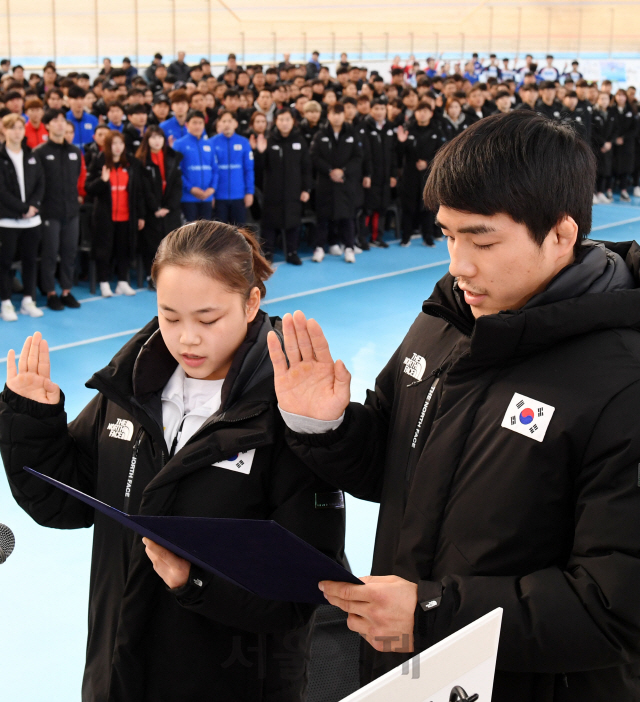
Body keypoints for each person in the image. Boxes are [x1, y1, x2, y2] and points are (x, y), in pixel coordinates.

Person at [267, 110, 640, 702]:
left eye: (482, 239)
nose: (458, 264)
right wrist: (326, 426)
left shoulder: (623, 380)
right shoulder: (447, 319)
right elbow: (394, 468)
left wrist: (434, 613)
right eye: (448, 234)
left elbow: (614, 608)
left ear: (562, 236)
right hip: (403, 670)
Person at [0, 220, 346, 701]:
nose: (187, 339)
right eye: (169, 316)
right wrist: (33, 424)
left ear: (251, 302)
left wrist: (195, 581)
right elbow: (66, 503)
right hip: (118, 668)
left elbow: (302, 591)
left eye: (207, 320)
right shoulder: (130, 387)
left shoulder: (289, 415)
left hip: (229, 680)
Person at [85, 130, 144, 297]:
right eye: (114, 144)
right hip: (105, 216)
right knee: (104, 250)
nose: (118, 147)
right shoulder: (99, 162)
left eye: (120, 143)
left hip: (126, 216)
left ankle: (122, 281)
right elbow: (88, 188)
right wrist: (102, 181)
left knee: (124, 249)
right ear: (108, 146)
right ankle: (104, 282)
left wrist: (140, 215)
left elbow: (137, 192)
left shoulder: (131, 164)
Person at [34, 109, 82, 311]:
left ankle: (66, 290)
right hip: (49, 212)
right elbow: (37, 182)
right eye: (55, 120)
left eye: (63, 120)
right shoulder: (40, 152)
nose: (60, 124)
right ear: (47, 125)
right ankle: (50, 292)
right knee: (50, 253)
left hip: (71, 212)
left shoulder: (74, 152)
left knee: (70, 252)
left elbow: (77, 179)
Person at [0, 114, 45, 321]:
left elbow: (40, 183)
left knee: (30, 261)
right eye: (13, 128)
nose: (17, 131)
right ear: (4, 130)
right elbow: (1, 191)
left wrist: (33, 206)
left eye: (20, 127)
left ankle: (29, 299)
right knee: (5, 262)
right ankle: (6, 302)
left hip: (32, 220)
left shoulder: (31, 155)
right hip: (7, 221)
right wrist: (22, 208)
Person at [254, 107, 312, 265]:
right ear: (276, 122)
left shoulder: (299, 141)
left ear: (292, 121)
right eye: (281, 120)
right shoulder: (269, 140)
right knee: (269, 226)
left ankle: (292, 253)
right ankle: (267, 255)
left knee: (293, 224)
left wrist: (306, 189)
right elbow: (259, 169)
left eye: (288, 119)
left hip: (294, 192)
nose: (285, 123)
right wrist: (259, 152)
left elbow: (306, 168)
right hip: (272, 192)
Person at [310, 103, 362, 264]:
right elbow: (314, 156)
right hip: (326, 183)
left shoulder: (352, 134)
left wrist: (344, 171)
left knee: (347, 218)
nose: (337, 117)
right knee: (323, 218)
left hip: (346, 183)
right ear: (329, 115)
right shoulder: (320, 134)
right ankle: (319, 248)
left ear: (344, 115)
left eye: (340, 113)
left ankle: (349, 248)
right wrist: (329, 171)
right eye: (334, 113)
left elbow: (358, 157)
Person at [136, 125, 184, 284]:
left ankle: (171, 275)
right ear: (147, 140)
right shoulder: (141, 161)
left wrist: (167, 207)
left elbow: (177, 185)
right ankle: (153, 276)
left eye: (159, 137)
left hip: (170, 210)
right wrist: (155, 208)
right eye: (153, 137)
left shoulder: (173, 157)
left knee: (172, 244)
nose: (157, 141)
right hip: (151, 212)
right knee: (152, 245)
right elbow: (143, 189)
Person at [396, 100, 447, 247]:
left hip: (428, 176)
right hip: (410, 176)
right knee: (408, 208)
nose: (422, 113)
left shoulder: (437, 131)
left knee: (428, 207)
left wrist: (428, 163)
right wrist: (401, 143)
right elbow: (399, 156)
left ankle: (428, 237)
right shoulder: (408, 130)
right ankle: (406, 237)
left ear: (431, 113)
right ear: (415, 113)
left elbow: (442, 153)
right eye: (419, 111)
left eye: (425, 111)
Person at [361, 99, 397, 248]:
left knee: (381, 208)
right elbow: (365, 154)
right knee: (368, 209)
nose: (379, 112)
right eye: (376, 108)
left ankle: (377, 237)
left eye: (382, 108)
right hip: (371, 176)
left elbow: (393, 153)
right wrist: (367, 174)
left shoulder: (390, 128)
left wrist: (393, 174)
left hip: (385, 176)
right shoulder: (365, 127)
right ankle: (362, 239)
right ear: (371, 110)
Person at [172, 109, 218, 222]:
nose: (198, 126)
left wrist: (212, 189)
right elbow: (177, 172)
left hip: (207, 197)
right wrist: (191, 188)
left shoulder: (209, 144)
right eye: (194, 122)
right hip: (188, 198)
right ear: (187, 124)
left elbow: (215, 170)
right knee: (190, 232)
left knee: (206, 233)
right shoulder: (179, 144)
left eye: (200, 123)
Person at [211, 111, 254, 226]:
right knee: (219, 233)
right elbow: (210, 171)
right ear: (219, 124)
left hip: (239, 195)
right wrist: (211, 195)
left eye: (230, 121)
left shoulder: (244, 142)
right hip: (219, 196)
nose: (227, 124)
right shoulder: (212, 143)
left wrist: (249, 192)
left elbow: (248, 169)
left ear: (235, 123)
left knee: (239, 232)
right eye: (223, 121)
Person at [609, 89, 636, 201]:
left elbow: (635, 129)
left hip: (627, 144)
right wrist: (615, 139)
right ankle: (609, 190)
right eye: (618, 95)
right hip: (614, 144)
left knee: (626, 167)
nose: (621, 98)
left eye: (623, 96)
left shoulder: (631, 110)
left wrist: (623, 138)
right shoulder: (611, 110)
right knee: (611, 167)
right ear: (615, 97)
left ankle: (624, 191)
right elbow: (609, 127)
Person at [591, 91, 616, 204]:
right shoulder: (593, 113)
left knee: (606, 170)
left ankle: (601, 192)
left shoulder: (611, 113)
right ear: (598, 100)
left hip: (608, 147)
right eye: (601, 98)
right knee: (595, 170)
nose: (604, 101)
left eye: (606, 98)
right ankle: (593, 192)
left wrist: (610, 142)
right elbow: (592, 130)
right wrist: (602, 143)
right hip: (597, 147)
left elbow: (616, 129)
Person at [66, 85, 99, 152]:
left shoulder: (93, 120)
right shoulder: (64, 119)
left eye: (82, 98)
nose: (79, 102)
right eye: (76, 99)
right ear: (69, 100)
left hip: (89, 159)